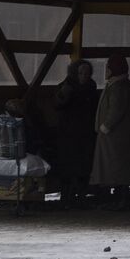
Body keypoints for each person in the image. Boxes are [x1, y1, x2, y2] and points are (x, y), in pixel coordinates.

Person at [90, 56, 130, 212]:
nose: (106, 71)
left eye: (108, 68)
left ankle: (120, 199)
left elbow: (116, 110)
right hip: (117, 134)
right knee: (116, 167)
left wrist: (105, 126)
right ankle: (119, 198)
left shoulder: (118, 86)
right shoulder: (120, 84)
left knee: (115, 168)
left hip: (114, 135)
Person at [53, 59, 99, 200]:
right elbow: (57, 104)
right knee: (68, 166)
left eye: (87, 73)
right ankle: (67, 195)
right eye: (81, 73)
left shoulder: (91, 88)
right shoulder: (66, 87)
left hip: (86, 133)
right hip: (68, 134)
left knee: (84, 166)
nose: (84, 75)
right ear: (75, 73)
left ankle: (81, 194)